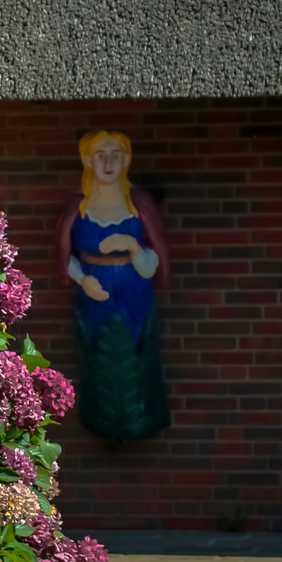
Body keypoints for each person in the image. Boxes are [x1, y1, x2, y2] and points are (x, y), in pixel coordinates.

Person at [54, 130, 170, 441]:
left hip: (134, 290)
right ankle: (101, 418)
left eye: (115, 155)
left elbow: (153, 261)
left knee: (136, 350)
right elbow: (67, 256)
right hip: (94, 291)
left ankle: (140, 416)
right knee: (98, 351)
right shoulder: (78, 208)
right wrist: (82, 279)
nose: (108, 162)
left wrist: (132, 246)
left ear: (126, 160)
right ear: (88, 160)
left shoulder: (139, 205)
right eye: (100, 155)